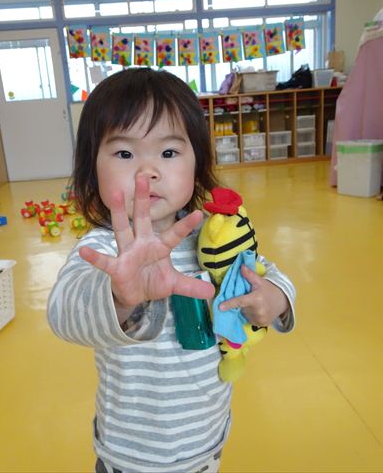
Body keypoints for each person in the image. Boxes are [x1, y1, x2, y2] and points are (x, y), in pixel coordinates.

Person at [47, 68, 296, 473]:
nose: (147, 172)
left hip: (207, 443)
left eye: (168, 153)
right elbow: (64, 315)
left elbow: (268, 273)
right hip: (131, 456)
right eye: (124, 154)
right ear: (92, 169)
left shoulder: (213, 234)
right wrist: (119, 296)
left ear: (198, 164)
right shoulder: (104, 249)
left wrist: (274, 298)